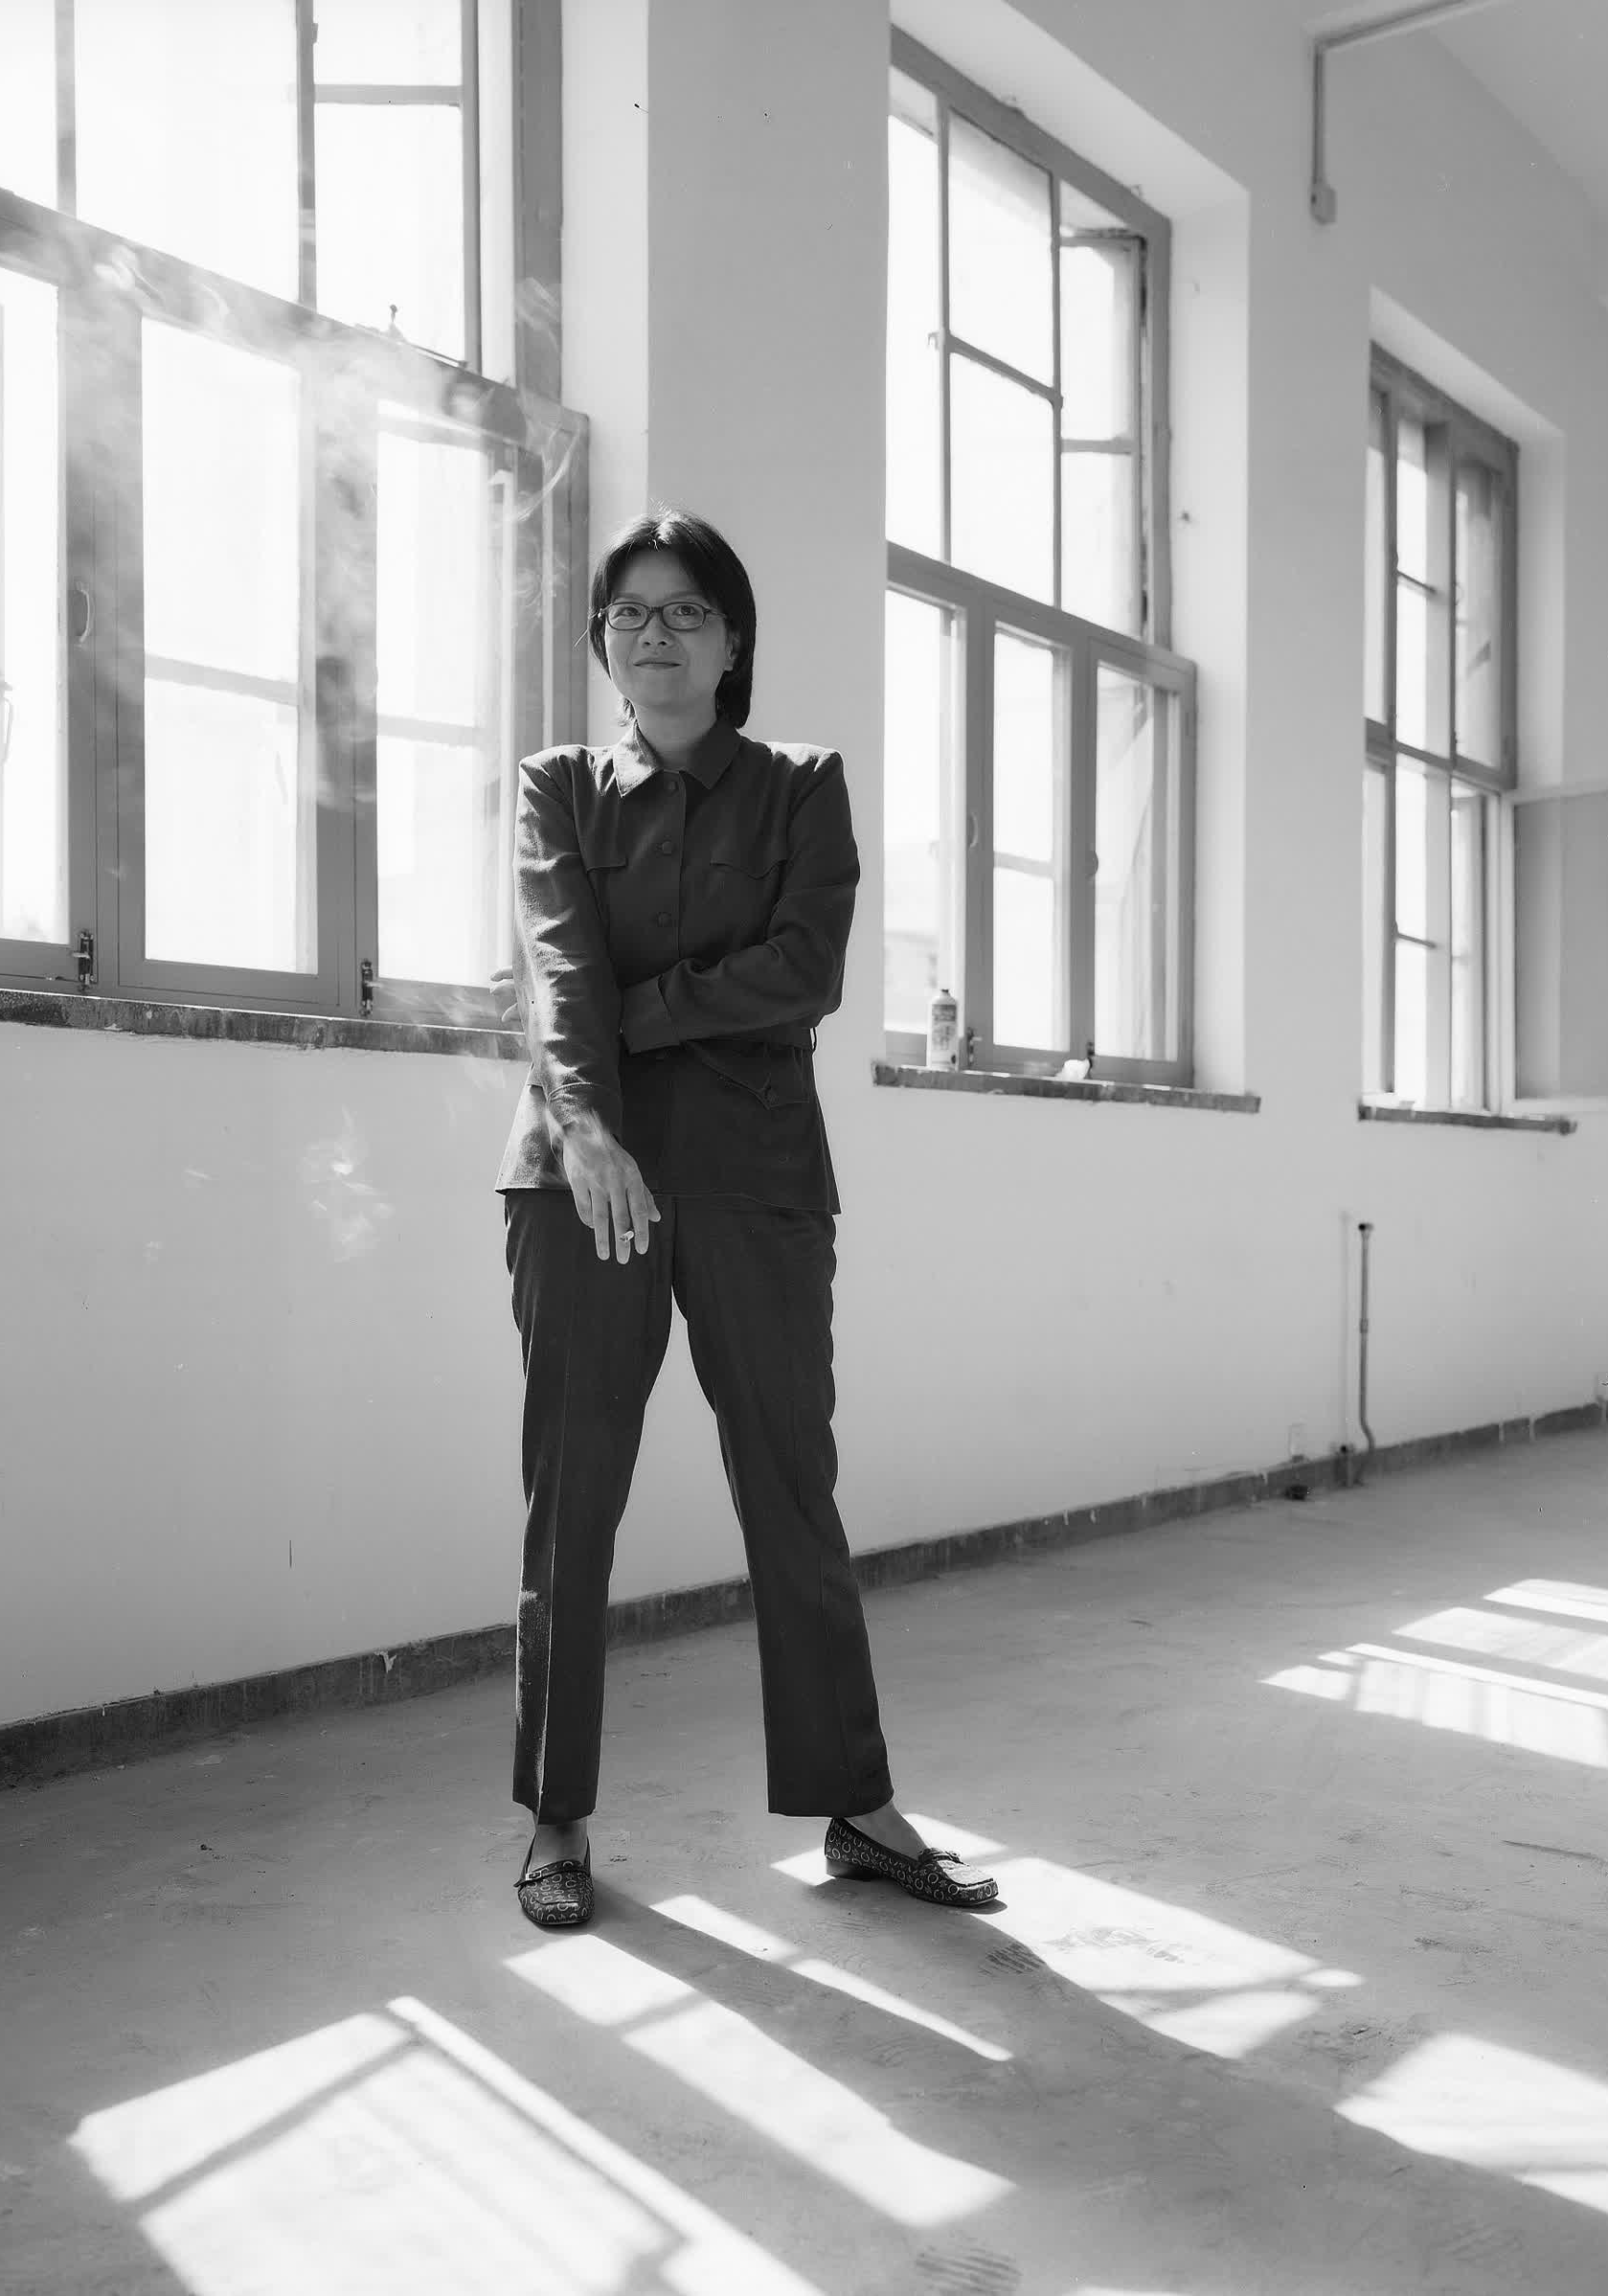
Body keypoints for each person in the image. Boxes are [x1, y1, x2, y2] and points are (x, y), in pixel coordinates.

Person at [496, 508, 999, 1929]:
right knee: (570, 1502)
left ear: (734, 642)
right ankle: (555, 1817)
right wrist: (590, 1126)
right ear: (603, 642)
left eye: (686, 611)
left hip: (755, 1176)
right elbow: (554, 966)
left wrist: (632, 1009)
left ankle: (858, 1808)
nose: (654, 635)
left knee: (791, 1485)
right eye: (629, 612)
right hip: (579, 1180)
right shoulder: (556, 788)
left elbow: (805, 970)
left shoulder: (801, 787)